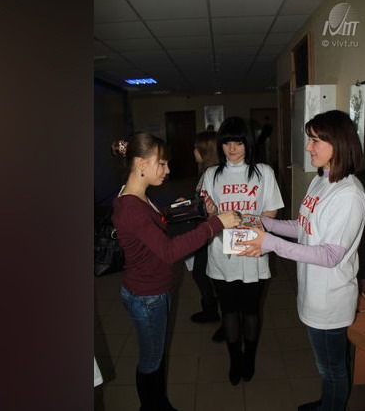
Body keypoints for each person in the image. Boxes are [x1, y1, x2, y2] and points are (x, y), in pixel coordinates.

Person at [238, 110, 365, 411]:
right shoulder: (321, 180)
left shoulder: (348, 195)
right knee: (328, 366)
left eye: (315, 141)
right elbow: (303, 226)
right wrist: (265, 223)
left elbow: (330, 255)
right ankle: (327, 402)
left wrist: (269, 243)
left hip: (330, 300)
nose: (308, 147)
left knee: (332, 369)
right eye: (308, 139)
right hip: (313, 292)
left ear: (338, 143)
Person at [110, 134, 241, 411]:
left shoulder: (134, 195)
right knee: (151, 360)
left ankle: (159, 404)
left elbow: (155, 224)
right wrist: (214, 224)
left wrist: (189, 209)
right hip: (147, 296)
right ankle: (153, 407)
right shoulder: (132, 207)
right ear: (141, 164)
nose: (167, 169)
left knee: (154, 357)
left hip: (147, 290)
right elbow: (169, 251)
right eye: (162, 163)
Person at [199, 117, 284, 385]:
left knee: (250, 310)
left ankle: (250, 357)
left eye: (238, 142)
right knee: (229, 311)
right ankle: (235, 358)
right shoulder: (211, 174)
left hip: (252, 252)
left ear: (248, 143)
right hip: (221, 254)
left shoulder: (263, 172)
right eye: (227, 143)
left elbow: (271, 210)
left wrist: (250, 230)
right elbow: (207, 216)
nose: (232, 149)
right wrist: (210, 212)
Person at [186, 130, 221, 324]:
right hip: (207, 230)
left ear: (205, 151)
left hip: (211, 232)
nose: (193, 150)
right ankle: (211, 309)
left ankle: (213, 311)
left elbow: (210, 207)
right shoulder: (208, 172)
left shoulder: (212, 173)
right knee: (202, 272)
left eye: (196, 147)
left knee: (202, 272)